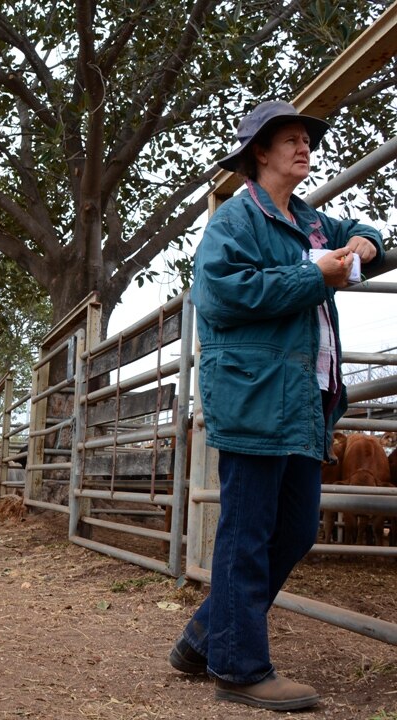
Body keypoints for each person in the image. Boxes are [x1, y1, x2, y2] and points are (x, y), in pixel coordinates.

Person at [168, 101, 383, 711]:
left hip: (306, 401)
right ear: (259, 153)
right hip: (255, 395)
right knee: (247, 532)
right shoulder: (235, 222)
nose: (303, 148)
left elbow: (369, 230)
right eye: (290, 140)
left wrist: (363, 246)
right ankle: (239, 668)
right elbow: (222, 295)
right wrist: (313, 277)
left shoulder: (311, 221)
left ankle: (202, 639)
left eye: (306, 140)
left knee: (291, 531)